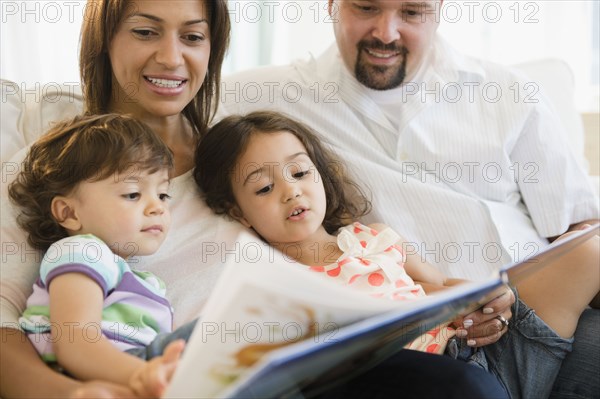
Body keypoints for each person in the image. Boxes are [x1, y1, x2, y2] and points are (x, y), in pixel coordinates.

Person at [0, 0, 510, 398]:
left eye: (193, 37)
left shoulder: (241, 156)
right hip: (194, 364)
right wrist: (80, 392)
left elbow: (349, 245)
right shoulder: (60, 167)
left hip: (314, 353)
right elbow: (5, 323)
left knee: (464, 387)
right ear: (103, 39)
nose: (172, 57)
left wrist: (465, 301)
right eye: (144, 31)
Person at [218, 1, 600, 396]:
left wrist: (490, 300)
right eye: (367, 7)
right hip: (428, 361)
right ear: (332, 5)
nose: (386, 32)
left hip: (523, 312)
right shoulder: (261, 98)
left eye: (412, 12)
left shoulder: (511, 92)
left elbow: (579, 226)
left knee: (590, 255)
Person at [195, 110, 599, 398]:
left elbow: (439, 285)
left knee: (589, 252)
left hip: (481, 352)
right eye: (264, 188)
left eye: (300, 173)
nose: (291, 191)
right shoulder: (281, 285)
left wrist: (487, 302)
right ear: (238, 214)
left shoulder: (373, 238)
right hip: (423, 382)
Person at [8, 113, 200, 397]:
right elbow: (75, 342)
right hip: (104, 370)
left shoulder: (143, 281)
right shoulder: (82, 251)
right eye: (133, 194)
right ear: (69, 213)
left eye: (162, 195)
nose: (157, 208)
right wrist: (143, 373)